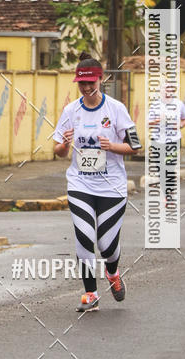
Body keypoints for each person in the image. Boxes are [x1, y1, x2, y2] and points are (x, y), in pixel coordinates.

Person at [53, 52, 142, 312]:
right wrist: (65, 144)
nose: (87, 87)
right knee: (84, 237)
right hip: (80, 184)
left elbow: (135, 146)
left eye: (91, 82)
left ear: (100, 80)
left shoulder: (116, 109)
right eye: (82, 83)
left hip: (112, 186)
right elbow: (57, 150)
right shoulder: (71, 111)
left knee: (106, 245)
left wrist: (112, 146)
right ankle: (90, 293)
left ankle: (112, 273)